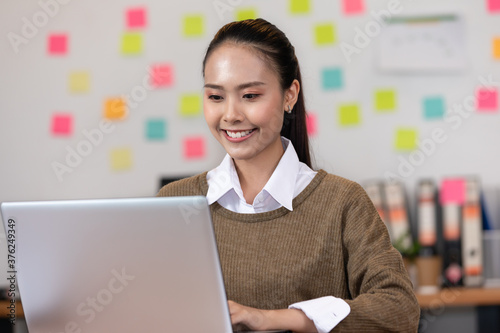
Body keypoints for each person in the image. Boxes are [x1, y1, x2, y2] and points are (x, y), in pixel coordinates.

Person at [158, 18, 420, 332]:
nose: (230, 114)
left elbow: (399, 309)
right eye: (216, 97)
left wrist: (277, 319)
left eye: (250, 96)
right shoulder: (174, 203)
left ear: (289, 95)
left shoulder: (341, 204)